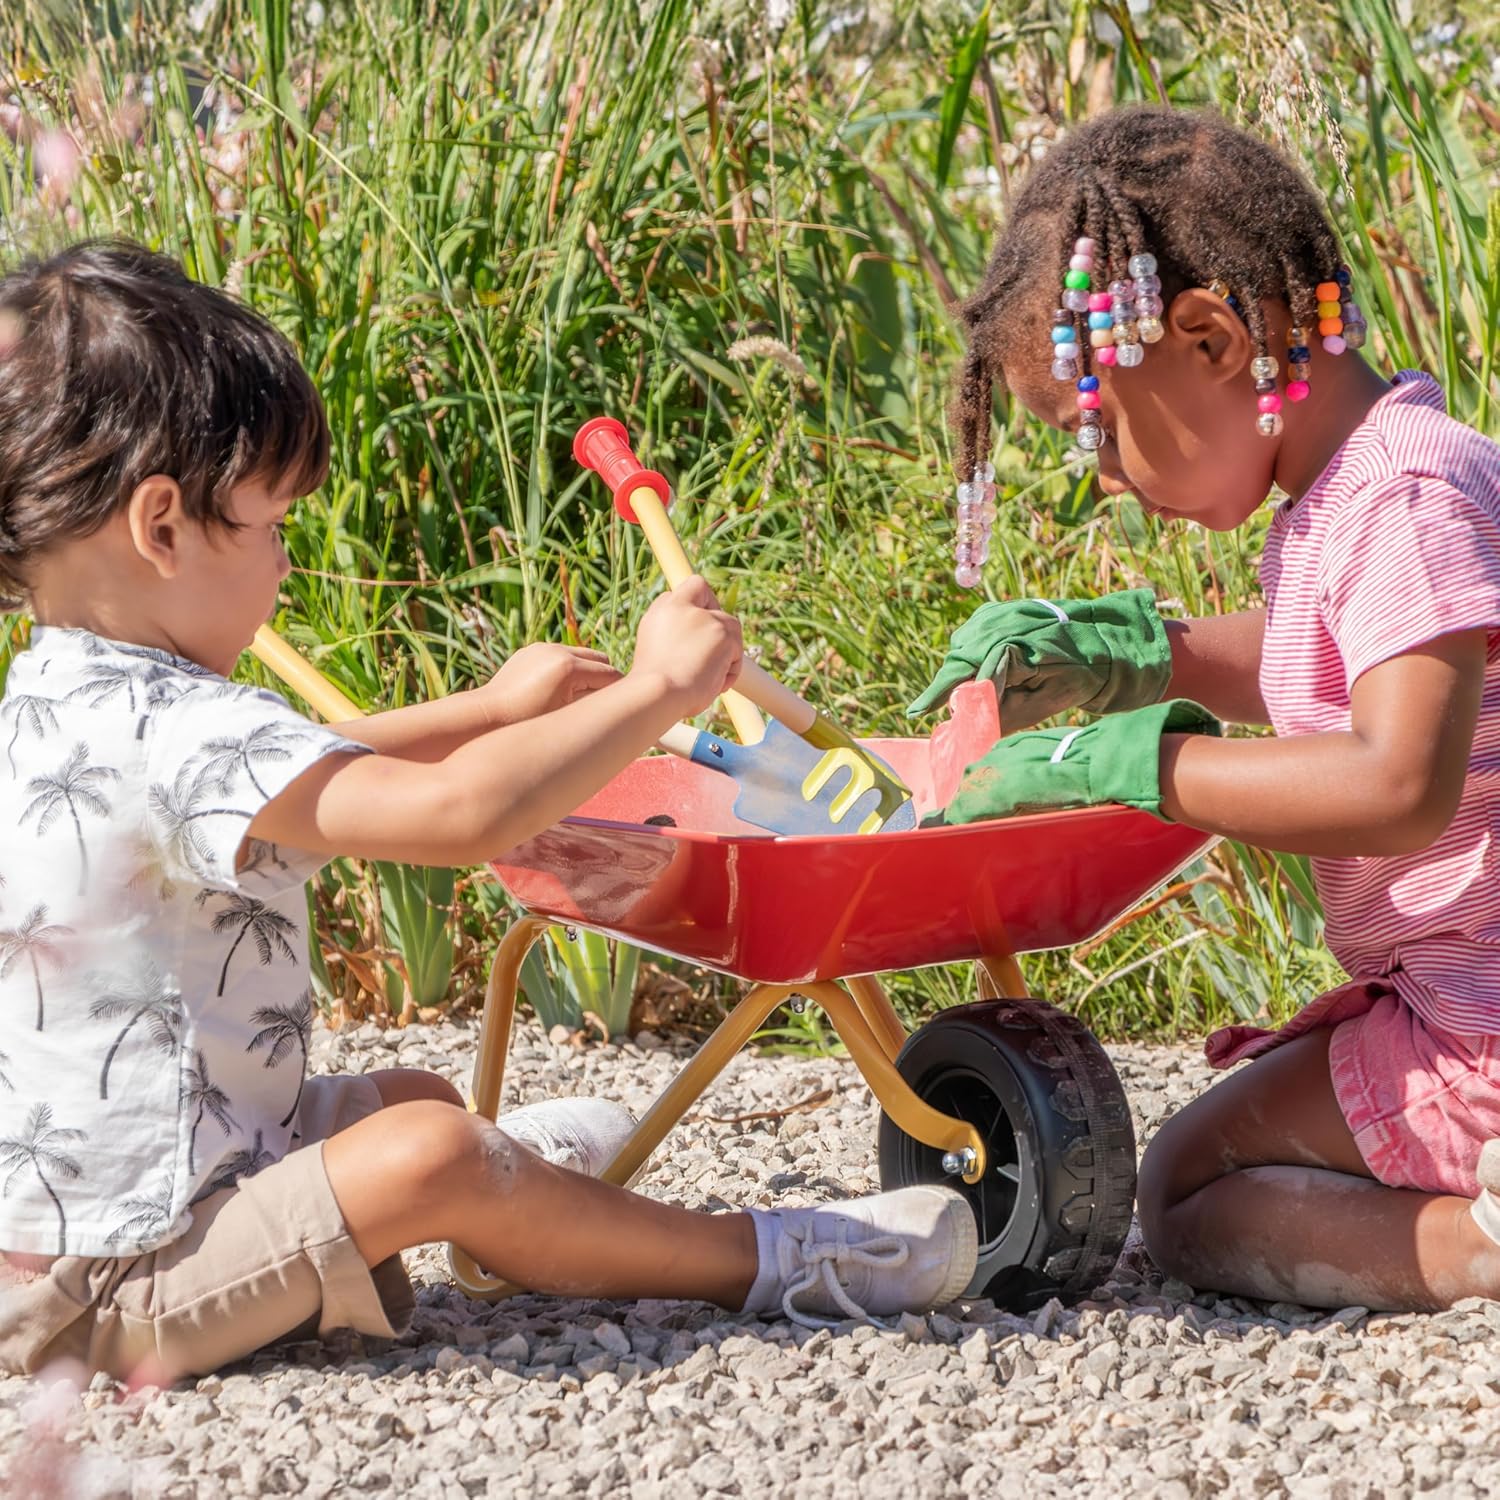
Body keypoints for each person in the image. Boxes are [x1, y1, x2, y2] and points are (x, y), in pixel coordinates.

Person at [0, 241, 975, 1381]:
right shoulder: (175, 723)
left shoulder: (64, 693)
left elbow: (305, 773)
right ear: (162, 527)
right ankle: (767, 1256)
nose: (281, 562)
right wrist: (661, 688)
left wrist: (491, 706)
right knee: (433, 1154)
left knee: (410, 1099)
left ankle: (534, 1204)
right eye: (270, 527)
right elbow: (458, 818)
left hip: (99, 1213)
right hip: (121, 1285)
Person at [910, 105, 1500, 1313]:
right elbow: (1327, 662)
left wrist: (1136, 763)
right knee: (1209, 1153)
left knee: (1181, 1192)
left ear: (1214, 338)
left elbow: (1397, 781)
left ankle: (1482, 1244)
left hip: (1483, 1030)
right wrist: (1144, 656)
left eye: (1105, 431)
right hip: (1461, 995)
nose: (1110, 479)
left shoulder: (1407, 496)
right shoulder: (1365, 483)